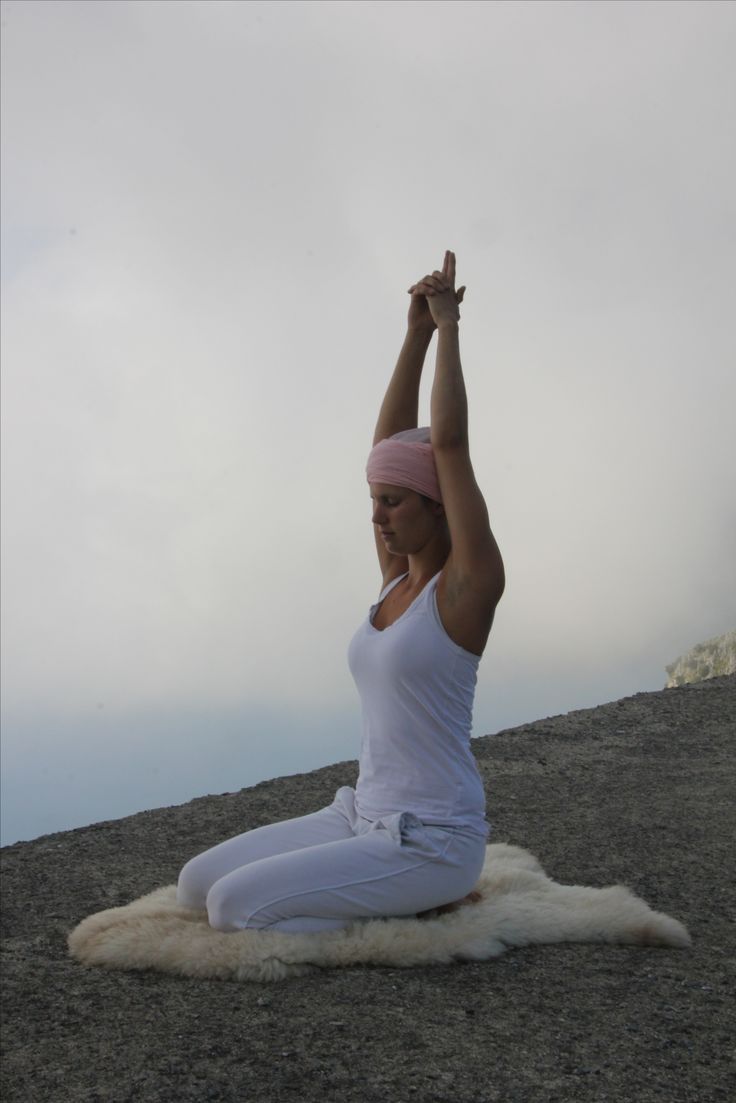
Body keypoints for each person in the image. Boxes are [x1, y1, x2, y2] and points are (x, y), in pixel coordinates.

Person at [176, 250, 505, 933]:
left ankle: (410, 913)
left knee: (236, 908)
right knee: (195, 884)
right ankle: (387, 898)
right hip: (362, 812)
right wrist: (411, 333)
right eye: (373, 499)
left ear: (438, 506)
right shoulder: (395, 580)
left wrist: (448, 330)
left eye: (392, 502)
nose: (376, 516)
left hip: (432, 835)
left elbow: (449, 446)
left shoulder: (466, 589)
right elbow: (390, 443)